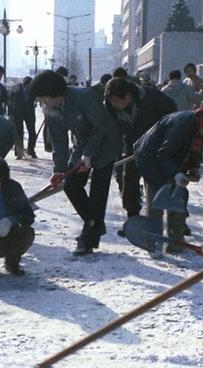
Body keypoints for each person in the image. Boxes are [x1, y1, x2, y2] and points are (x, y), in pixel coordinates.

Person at [31, 69, 121, 255]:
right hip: (82, 143)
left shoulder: (84, 97)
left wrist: (89, 155)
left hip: (105, 143)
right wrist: (59, 169)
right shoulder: (50, 109)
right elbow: (59, 140)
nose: (42, 102)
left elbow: (101, 126)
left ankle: (88, 239)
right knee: (71, 185)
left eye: (43, 97)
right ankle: (95, 224)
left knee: (98, 190)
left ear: (53, 92)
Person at [133, 107, 203, 253]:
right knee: (157, 201)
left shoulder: (198, 129)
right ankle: (153, 242)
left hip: (170, 160)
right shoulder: (181, 126)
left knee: (177, 200)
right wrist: (176, 173)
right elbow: (163, 154)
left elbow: (193, 151)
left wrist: (192, 169)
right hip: (150, 158)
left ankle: (175, 242)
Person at [105, 77, 177, 218]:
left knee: (162, 183)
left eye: (115, 101)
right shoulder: (110, 107)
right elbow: (112, 132)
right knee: (130, 179)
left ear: (127, 97)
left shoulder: (151, 96)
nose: (113, 104)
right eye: (111, 100)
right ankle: (133, 216)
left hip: (157, 146)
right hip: (133, 145)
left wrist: (165, 139)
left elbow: (172, 115)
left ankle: (176, 218)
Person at [9, 76, 37, 159]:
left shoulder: (33, 91)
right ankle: (19, 152)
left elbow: (35, 99)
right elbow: (10, 101)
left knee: (32, 132)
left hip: (29, 113)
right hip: (18, 113)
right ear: (26, 84)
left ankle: (31, 150)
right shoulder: (16, 89)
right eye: (30, 84)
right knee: (19, 132)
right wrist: (10, 113)